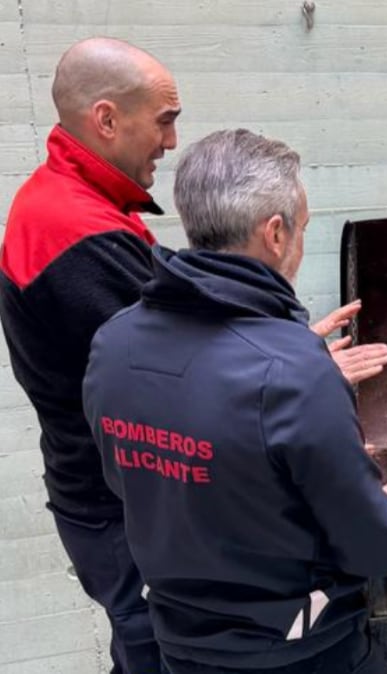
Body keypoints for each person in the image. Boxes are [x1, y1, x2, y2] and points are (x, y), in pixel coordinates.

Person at [82, 128, 387, 673]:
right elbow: (370, 548)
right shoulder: (295, 372)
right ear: (274, 234)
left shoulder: (113, 343)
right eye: (302, 226)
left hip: (182, 643)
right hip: (302, 645)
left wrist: (290, 353)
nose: (301, 239)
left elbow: (140, 478)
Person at [0, 37, 181, 673]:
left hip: (114, 496)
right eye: (164, 121)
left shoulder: (79, 203)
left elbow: (172, 293)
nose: (171, 142)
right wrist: (291, 372)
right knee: (157, 651)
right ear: (106, 120)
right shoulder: (73, 233)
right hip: (118, 508)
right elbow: (182, 365)